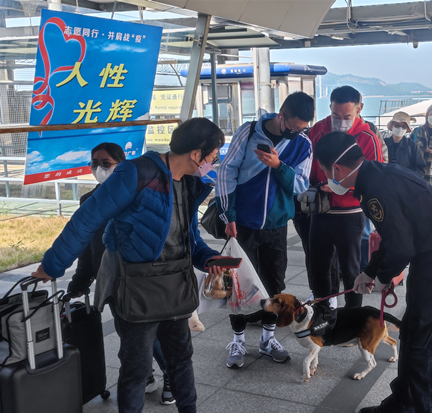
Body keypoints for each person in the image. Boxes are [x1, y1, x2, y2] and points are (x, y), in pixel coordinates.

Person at [31, 118, 228, 413]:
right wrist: (52, 264)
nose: (214, 161)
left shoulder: (189, 183)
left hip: (176, 286)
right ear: (197, 154)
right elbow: (86, 220)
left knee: (181, 361)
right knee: (136, 370)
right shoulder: (134, 173)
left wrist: (208, 258)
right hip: (137, 289)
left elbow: (187, 236)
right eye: (213, 155)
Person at [313, 132, 432, 413]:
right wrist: (368, 272)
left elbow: (401, 247)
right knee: (413, 338)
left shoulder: (375, 188)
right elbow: (394, 237)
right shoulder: (377, 175)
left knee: (427, 351)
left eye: (326, 172)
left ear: (336, 169)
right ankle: (402, 404)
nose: (327, 178)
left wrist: (380, 278)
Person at [64, 143, 176, 404]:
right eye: (94, 163)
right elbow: (87, 244)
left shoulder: (138, 195)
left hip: (138, 275)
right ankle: (145, 374)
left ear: (121, 165)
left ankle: (170, 371)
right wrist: (81, 279)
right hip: (110, 276)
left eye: (106, 163)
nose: (98, 169)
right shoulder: (88, 200)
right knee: (126, 330)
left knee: (150, 331)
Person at [216, 91, 315, 368]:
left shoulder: (303, 144)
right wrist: (228, 215)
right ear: (281, 115)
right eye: (294, 126)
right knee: (238, 286)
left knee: (275, 286)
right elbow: (227, 172)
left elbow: (301, 185)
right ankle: (237, 341)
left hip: (276, 226)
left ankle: (268, 339)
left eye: (303, 127)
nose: (298, 132)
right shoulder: (248, 133)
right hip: (242, 225)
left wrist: (279, 166)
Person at [306, 85, 384, 309]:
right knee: (318, 267)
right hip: (320, 209)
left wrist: (343, 187)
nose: (340, 121)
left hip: (350, 212)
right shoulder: (317, 130)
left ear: (359, 109)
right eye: (335, 115)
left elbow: (375, 180)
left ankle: (352, 319)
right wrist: (317, 186)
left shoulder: (368, 137)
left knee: (351, 270)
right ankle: (323, 313)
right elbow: (307, 167)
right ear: (329, 107)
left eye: (347, 116)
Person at [381, 111, 427, 177]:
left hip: (405, 185)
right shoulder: (383, 144)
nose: (400, 128)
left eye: (403, 126)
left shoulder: (412, 146)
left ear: (407, 129)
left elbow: (421, 169)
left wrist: (405, 174)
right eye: (397, 125)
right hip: (385, 184)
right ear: (392, 126)